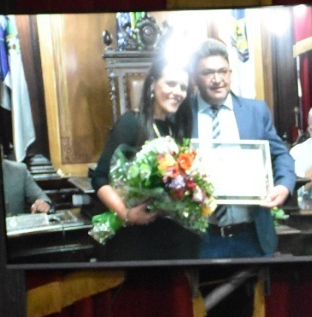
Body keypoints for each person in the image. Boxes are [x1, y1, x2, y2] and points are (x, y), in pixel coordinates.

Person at [188, 38, 295, 258]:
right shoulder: (181, 115)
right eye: (208, 73)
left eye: (222, 71)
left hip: (251, 235)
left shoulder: (255, 111)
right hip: (200, 237)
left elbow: (280, 155)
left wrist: (284, 186)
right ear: (195, 77)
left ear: (230, 73)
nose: (217, 79)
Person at [91, 55, 201, 261]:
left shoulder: (175, 129)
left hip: (171, 236)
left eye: (183, 87)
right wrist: (126, 214)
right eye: (170, 83)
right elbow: (99, 178)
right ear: (152, 84)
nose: (177, 92)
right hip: (135, 238)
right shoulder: (131, 122)